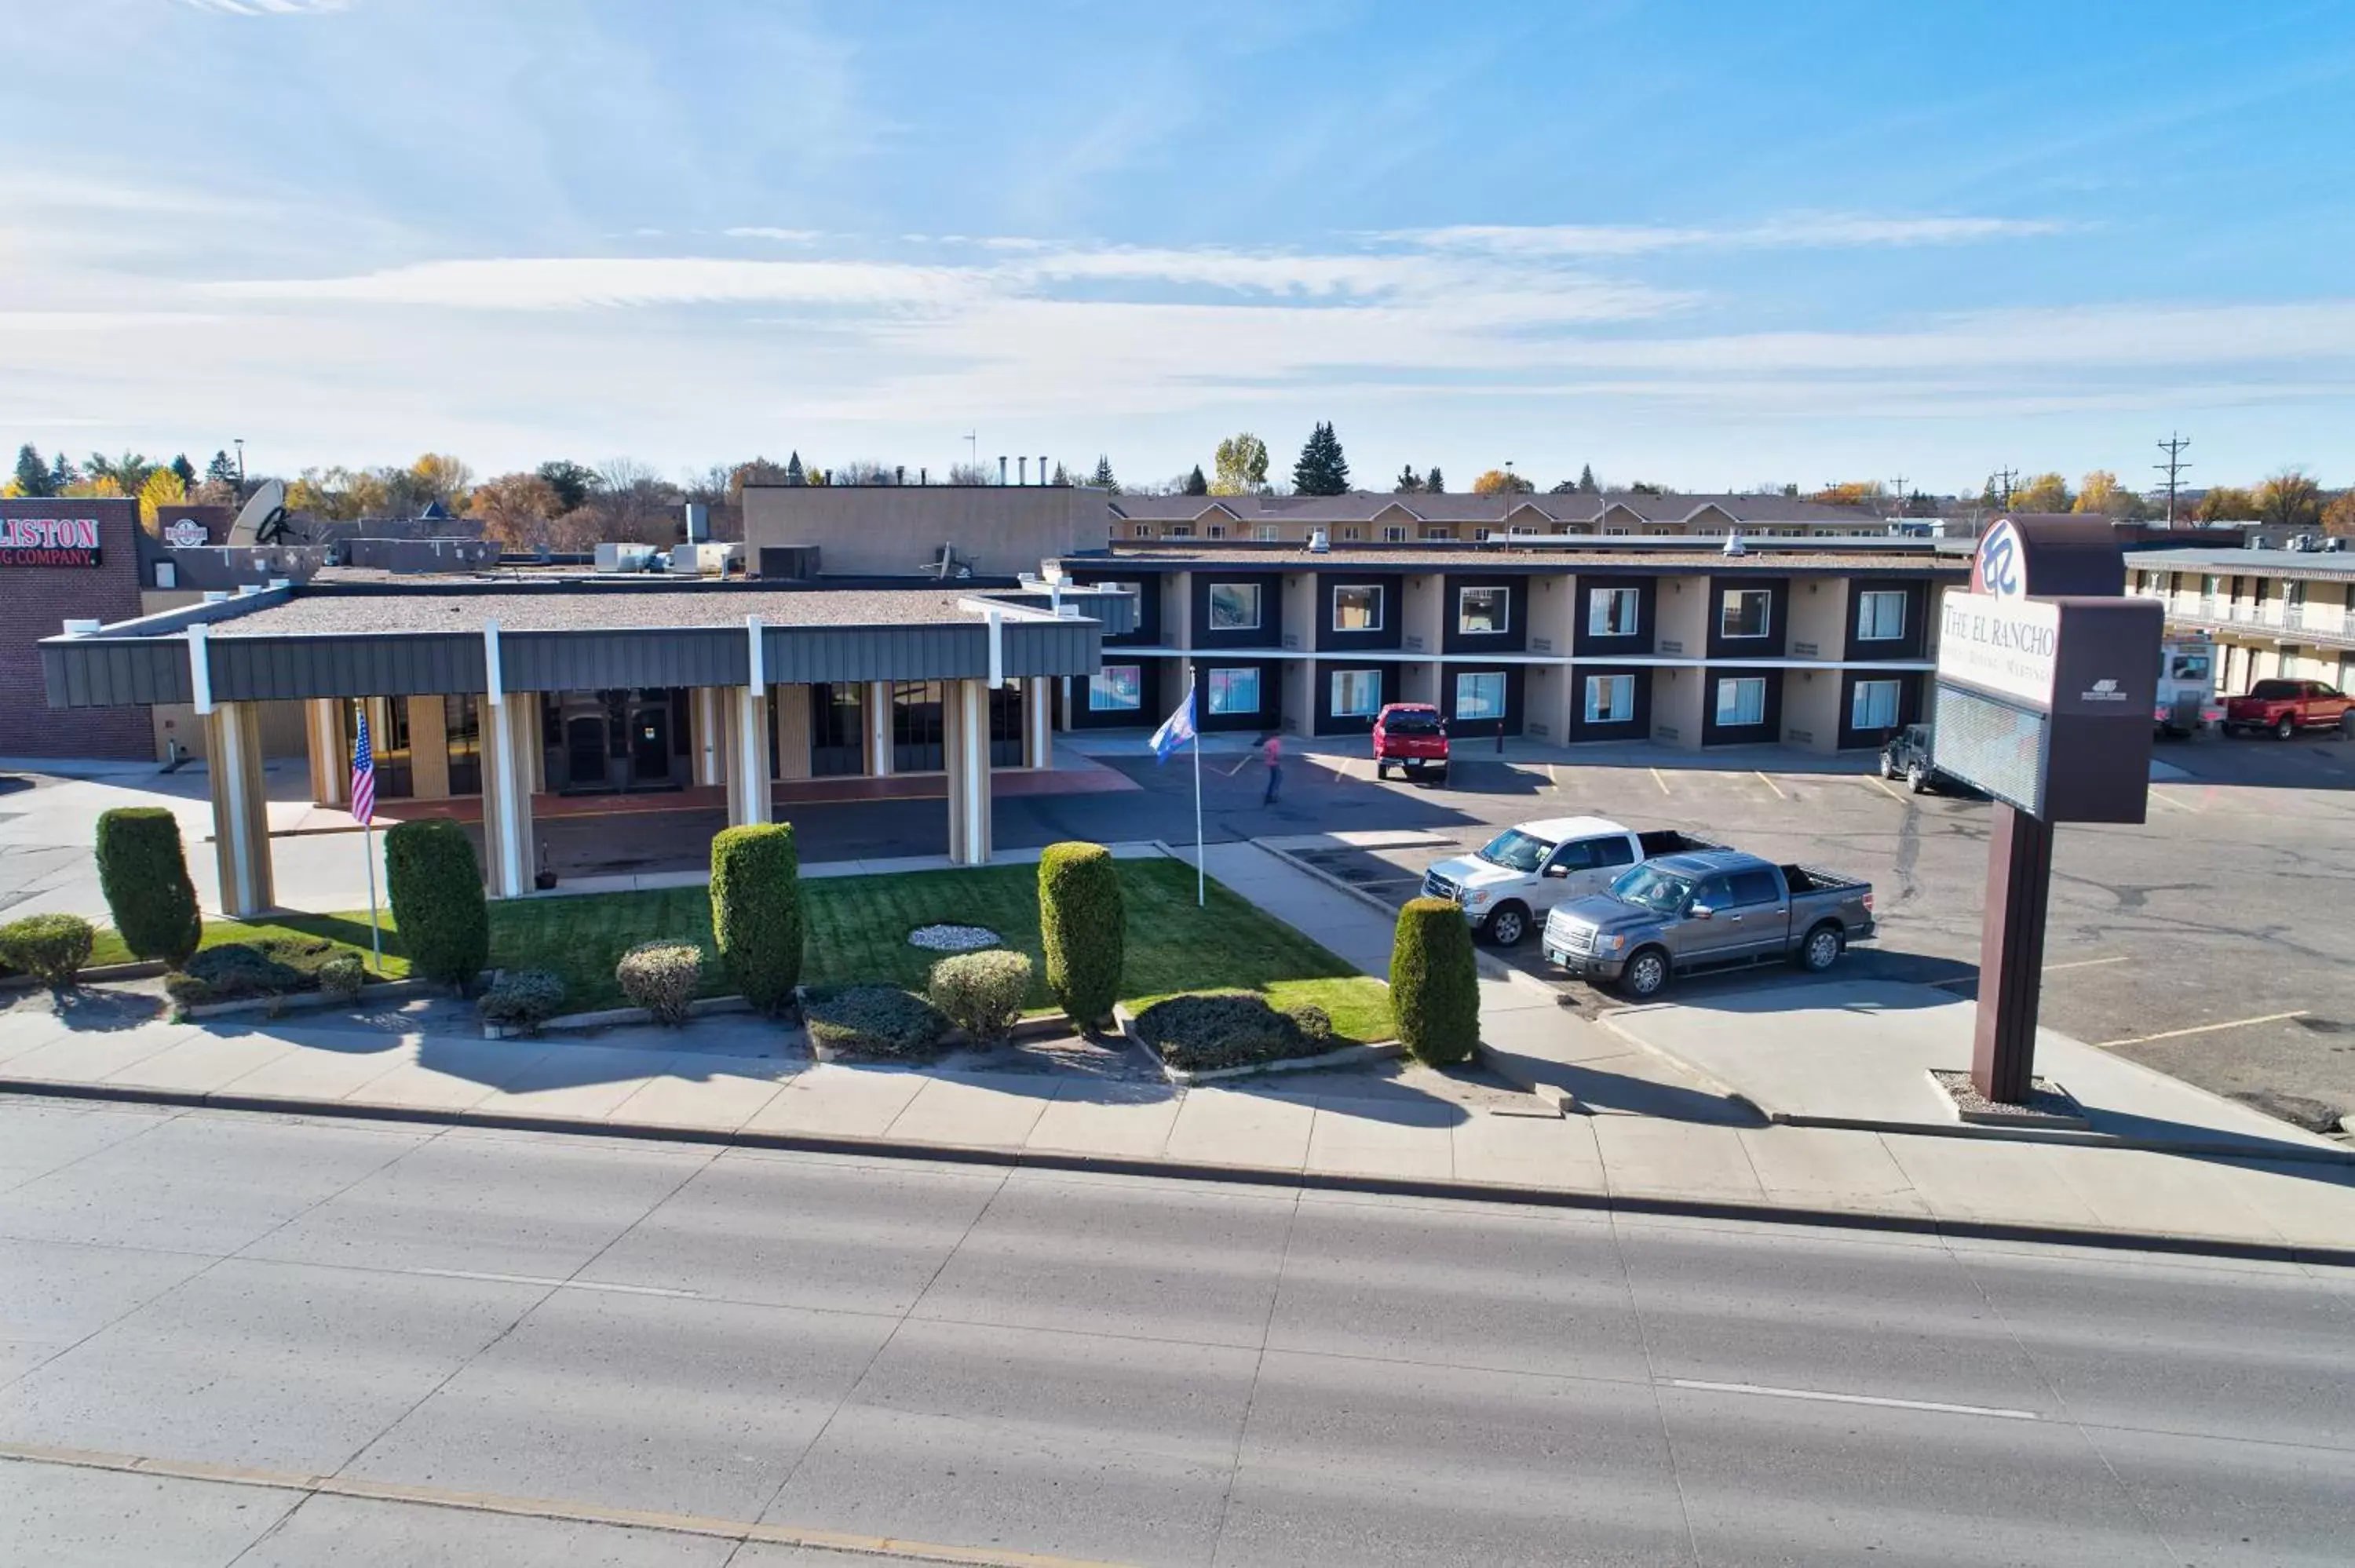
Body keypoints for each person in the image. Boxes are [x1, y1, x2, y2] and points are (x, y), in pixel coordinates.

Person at [1259, 731, 1283, 805]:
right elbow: (1276, 754)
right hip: (1275, 763)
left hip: (1269, 762)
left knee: (1273, 779)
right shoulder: (1276, 742)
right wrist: (1279, 759)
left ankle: (1269, 794)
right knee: (1277, 780)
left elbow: (1265, 752)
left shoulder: (1267, 743)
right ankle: (1270, 796)